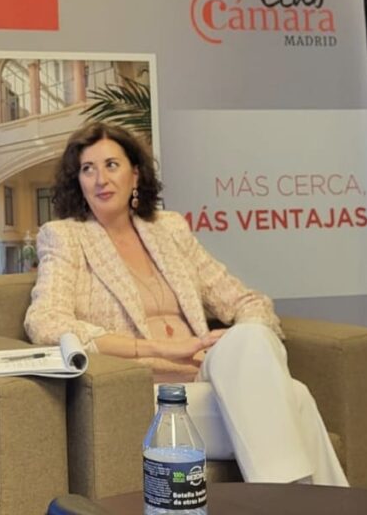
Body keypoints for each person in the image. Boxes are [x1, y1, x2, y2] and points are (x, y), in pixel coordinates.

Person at [24, 121, 347, 486]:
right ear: (78, 182)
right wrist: (161, 347)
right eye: (88, 169)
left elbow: (249, 300)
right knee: (296, 398)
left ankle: (279, 500)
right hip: (146, 394)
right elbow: (46, 321)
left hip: (205, 375)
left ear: (135, 175)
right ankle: (307, 503)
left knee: (249, 337)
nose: (100, 179)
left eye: (111, 165)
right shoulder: (65, 237)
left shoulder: (170, 229)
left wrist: (229, 342)